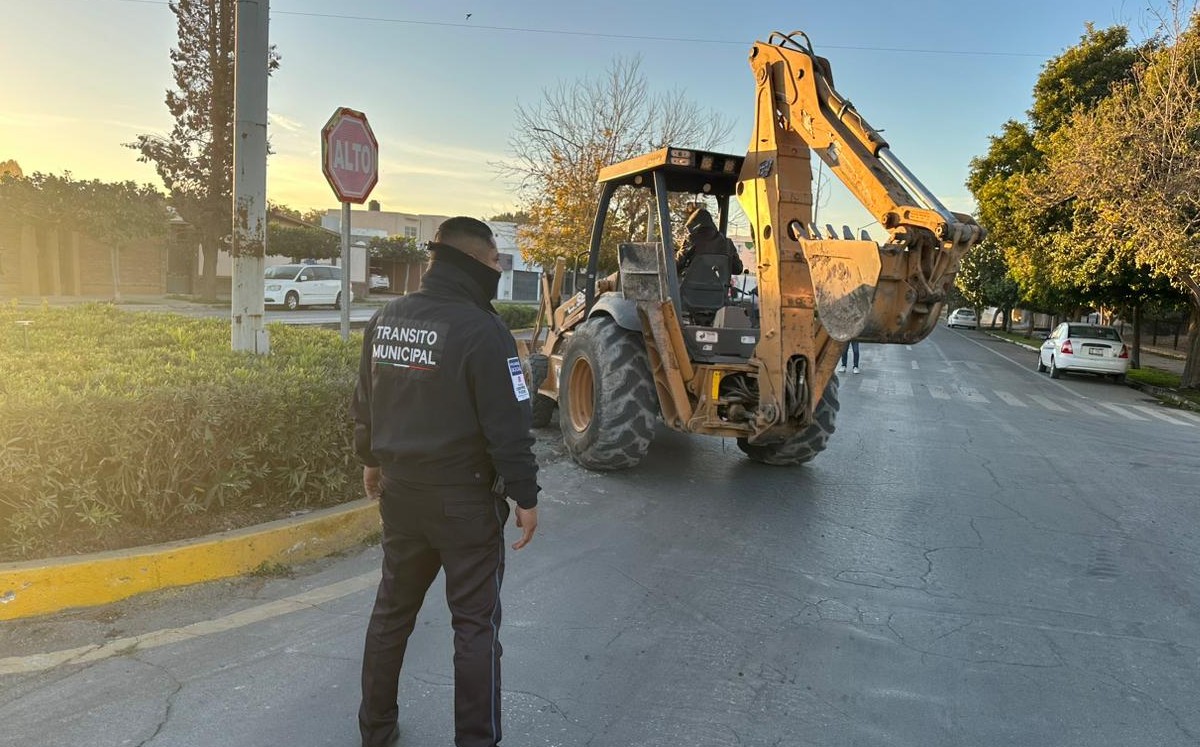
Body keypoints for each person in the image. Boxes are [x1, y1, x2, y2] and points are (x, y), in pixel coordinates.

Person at [351, 216, 540, 747]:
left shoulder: (385, 319)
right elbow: (510, 426)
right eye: (496, 263)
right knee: (475, 629)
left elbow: (365, 405)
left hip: (402, 496)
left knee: (391, 615)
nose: (499, 271)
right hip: (466, 503)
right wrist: (526, 496)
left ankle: (375, 730)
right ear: (474, 263)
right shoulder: (484, 331)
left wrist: (372, 460)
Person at [675, 207, 744, 278]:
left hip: (691, 287)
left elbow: (676, 266)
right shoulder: (728, 244)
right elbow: (738, 269)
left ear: (693, 225)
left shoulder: (691, 240)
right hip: (719, 287)